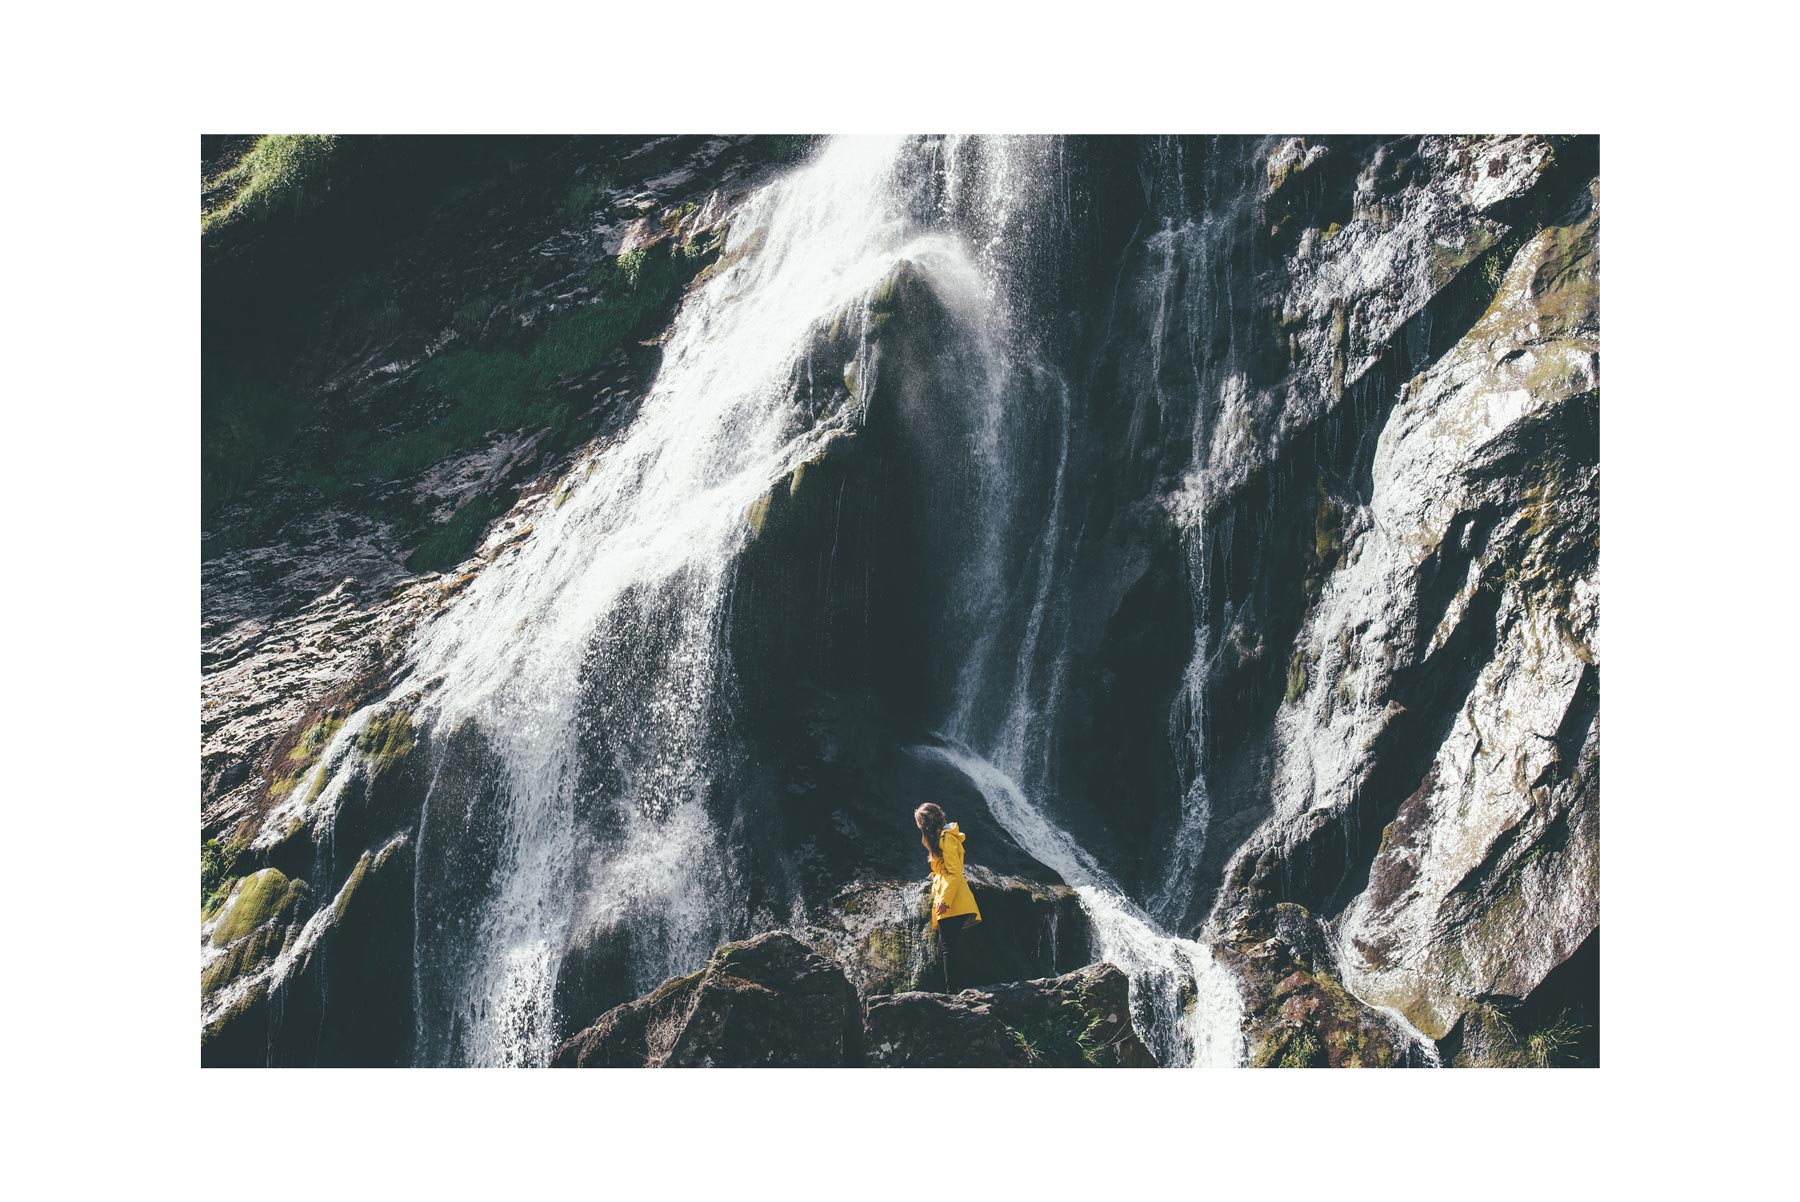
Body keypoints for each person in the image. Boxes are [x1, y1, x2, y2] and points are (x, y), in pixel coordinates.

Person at [914, 802, 982, 991]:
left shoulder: (946, 839)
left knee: (948, 949)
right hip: (949, 898)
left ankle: (953, 994)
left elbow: (955, 872)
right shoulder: (942, 840)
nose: (918, 827)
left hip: (952, 901)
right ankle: (953, 991)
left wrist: (944, 901)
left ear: (926, 823)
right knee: (945, 948)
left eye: (919, 823)